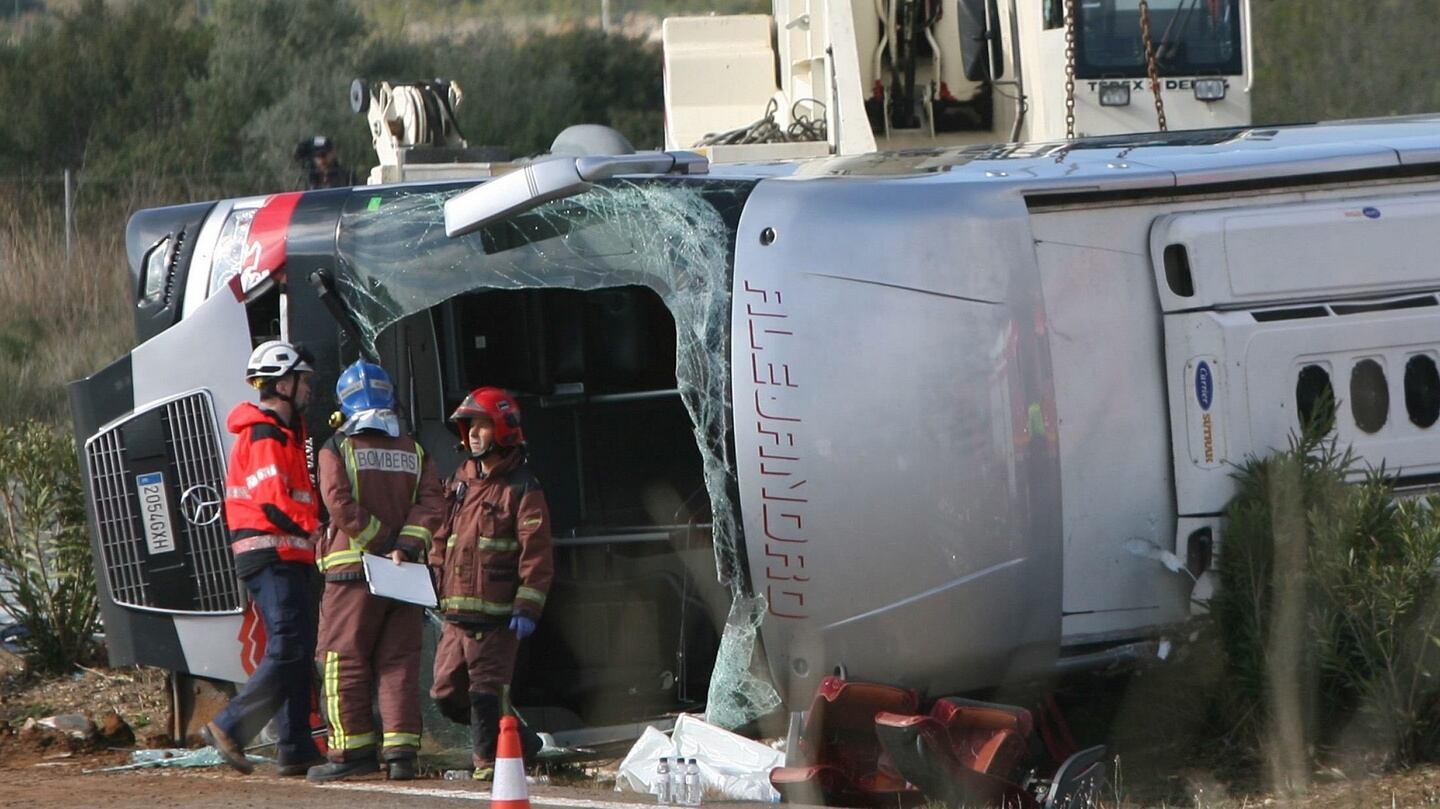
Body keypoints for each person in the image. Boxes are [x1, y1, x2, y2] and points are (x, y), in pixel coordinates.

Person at [306, 360, 446, 782]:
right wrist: (405, 546)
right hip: (405, 577)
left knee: (340, 660)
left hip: (352, 573)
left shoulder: (338, 446)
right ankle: (401, 754)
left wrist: (381, 543)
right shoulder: (414, 450)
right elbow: (432, 504)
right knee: (399, 662)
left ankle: (350, 753)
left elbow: (338, 502)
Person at [202, 340, 324, 777]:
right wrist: (315, 525)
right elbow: (273, 503)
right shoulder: (265, 433)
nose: (309, 388)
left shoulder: (286, 433)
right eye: (304, 380)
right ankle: (230, 725)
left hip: (288, 554)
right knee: (290, 646)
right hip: (272, 553)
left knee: (297, 649)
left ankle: (294, 747)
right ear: (283, 382)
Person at [429, 387, 554, 781]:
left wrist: (527, 607)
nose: (472, 436)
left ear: (503, 429)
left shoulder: (522, 487)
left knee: (486, 692)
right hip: (455, 615)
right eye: (468, 428)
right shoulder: (459, 483)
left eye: (480, 426)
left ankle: (491, 766)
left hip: (498, 619)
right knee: (446, 694)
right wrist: (432, 582)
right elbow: (439, 538)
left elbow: (537, 554)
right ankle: (517, 739)